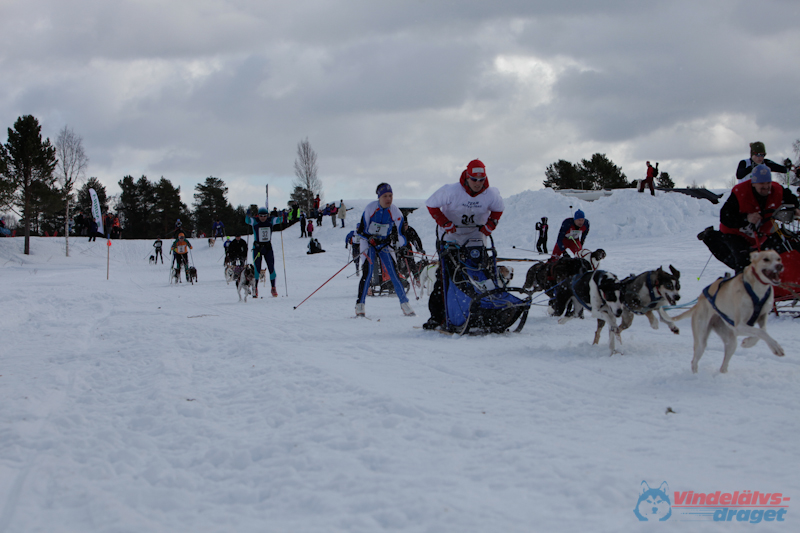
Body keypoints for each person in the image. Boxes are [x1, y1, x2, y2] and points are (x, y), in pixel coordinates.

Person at [423, 159, 504, 329]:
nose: (477, 183)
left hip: (476, 238)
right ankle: (438, 317)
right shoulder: (451, 191)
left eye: (481, 180)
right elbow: (431, 205)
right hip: (450, 238)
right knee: (447, 276)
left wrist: (491, 225)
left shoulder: (491, 193)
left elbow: (498, 209)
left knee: (480, 275)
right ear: (467, 177)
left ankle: (484, 310)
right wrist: (445, 223)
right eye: (474, 180)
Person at [699, 164, 800, 272]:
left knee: (779, 254)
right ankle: (710, 236)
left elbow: (793, 201)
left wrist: (796, 210)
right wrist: (746, 218)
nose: (766, 186)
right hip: (736, 232)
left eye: (768, 183)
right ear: (753, 183)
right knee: (744, 263)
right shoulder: (740, 192)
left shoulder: (777, 190)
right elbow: (725, 217)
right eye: (762, 183)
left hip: (763, 230)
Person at [355, 183, 416, 318]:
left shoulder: (395, 211)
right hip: (368, 242)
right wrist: (370, 238)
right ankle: (360, 305)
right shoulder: (371, 208)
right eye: (385, 196)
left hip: (383, 243)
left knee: (394, 273)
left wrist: (403, 246)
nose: (388, 199)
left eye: (391, 195)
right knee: (368, 272)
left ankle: (405, 304)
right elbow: (361, 230)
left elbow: (401, 233)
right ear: (379, 197)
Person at [245, 206, 288, 297]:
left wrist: (282, 214)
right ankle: (255, 288)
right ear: (258, 215)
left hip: (268, 248)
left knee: (271, 268)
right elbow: (247, 221)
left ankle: (273, 288)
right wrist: (247, 215)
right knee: (257, 270)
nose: (263, 218)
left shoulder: (270, 221)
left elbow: (280, 220)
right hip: (257, 249)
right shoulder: (255, 221)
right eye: (261, 216)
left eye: (265, 216)